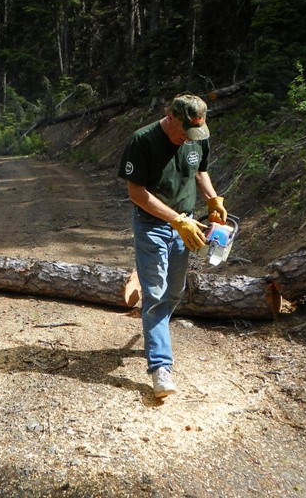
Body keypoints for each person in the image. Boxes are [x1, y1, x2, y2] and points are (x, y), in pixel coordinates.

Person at [118, 94, 227, 398]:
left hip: (187, 225)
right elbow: (136, 193)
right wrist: (175, 220)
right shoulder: (142, 141)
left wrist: (212, 198)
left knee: (174, 291)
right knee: (154, 294)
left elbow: (199, 171)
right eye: (183, 132)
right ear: (170, 117)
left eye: (193, 134)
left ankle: (156, 338)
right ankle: (160, 367)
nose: (186, 139)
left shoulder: (196, 136)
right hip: (152, 225)